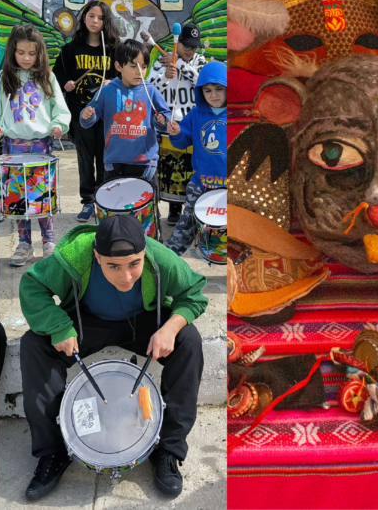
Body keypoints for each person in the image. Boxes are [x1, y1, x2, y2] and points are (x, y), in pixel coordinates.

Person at [18, 214, 207, 500]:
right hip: (88, 322)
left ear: (144, 253)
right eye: (113, 266)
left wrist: (171, 327)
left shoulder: (159, 257)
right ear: (96, 255)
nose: (126, 276)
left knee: (190, 340)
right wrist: (58, 327)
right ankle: (52, 453)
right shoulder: (75, 255)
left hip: (144, 321)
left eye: (134, 264)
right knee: (33, 343)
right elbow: (32, 286)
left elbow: (193, 292)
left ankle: (168, 450)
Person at [0, 25, 71, 266]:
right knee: (19, 197)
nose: (27, 58)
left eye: (32, 53)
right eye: (21, 53)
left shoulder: (47, 77)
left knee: (41, 196)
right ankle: (24, 243)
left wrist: (60, 125)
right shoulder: (2, 78)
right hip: (12, 146)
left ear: (40, 53)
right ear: (12, 52)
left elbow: (60, 109)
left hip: (40, 146)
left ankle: (49, 241)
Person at [80, 39, 172, 227]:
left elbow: (165, 120)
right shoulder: (106, 91)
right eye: (133, 66)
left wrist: (162, 121)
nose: (140, 72)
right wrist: (87, 114)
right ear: (118, 66)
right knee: (115, 214)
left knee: (147, 216)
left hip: (146, 164)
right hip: (114, 164)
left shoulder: (151, 91)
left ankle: (150, 250)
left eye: (144, 66)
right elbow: (87, 121)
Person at [53, 1, 119, 222]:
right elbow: (57, 76)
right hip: (79, 112)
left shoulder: (113, 50)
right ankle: (88, 201)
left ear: (106, 22)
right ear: (83, 18)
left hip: (106, 114)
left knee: (104, 157)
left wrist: (113, 82)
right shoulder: (69, 50)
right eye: (91, 16)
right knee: (84, 158)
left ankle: (102, 199)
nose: (95, 21)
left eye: (100, 18)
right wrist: (66, 84)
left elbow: (124, 77)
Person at [163, 60, 226, 256]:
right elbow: (182, 143)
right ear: (200, 92)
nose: (213, 95)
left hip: (231, 187)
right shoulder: (196, 114)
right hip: (201, 185)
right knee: (185, 226)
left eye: (218, 89)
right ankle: (167, 259)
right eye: (207, 90)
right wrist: (176, 133)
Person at [155, 23, 211, 226]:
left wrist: (178, 63)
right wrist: (165, 75)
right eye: (186, 46)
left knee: (193, 167)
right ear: (176, 43)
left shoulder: (201, 61)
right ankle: (173, 208)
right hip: (171, 122)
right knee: (172, 168)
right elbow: (151, 88)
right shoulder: (161, 61)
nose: (191, 50)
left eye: (194, 47)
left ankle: (195, 207)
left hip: (194, 121)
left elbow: (202, 82)